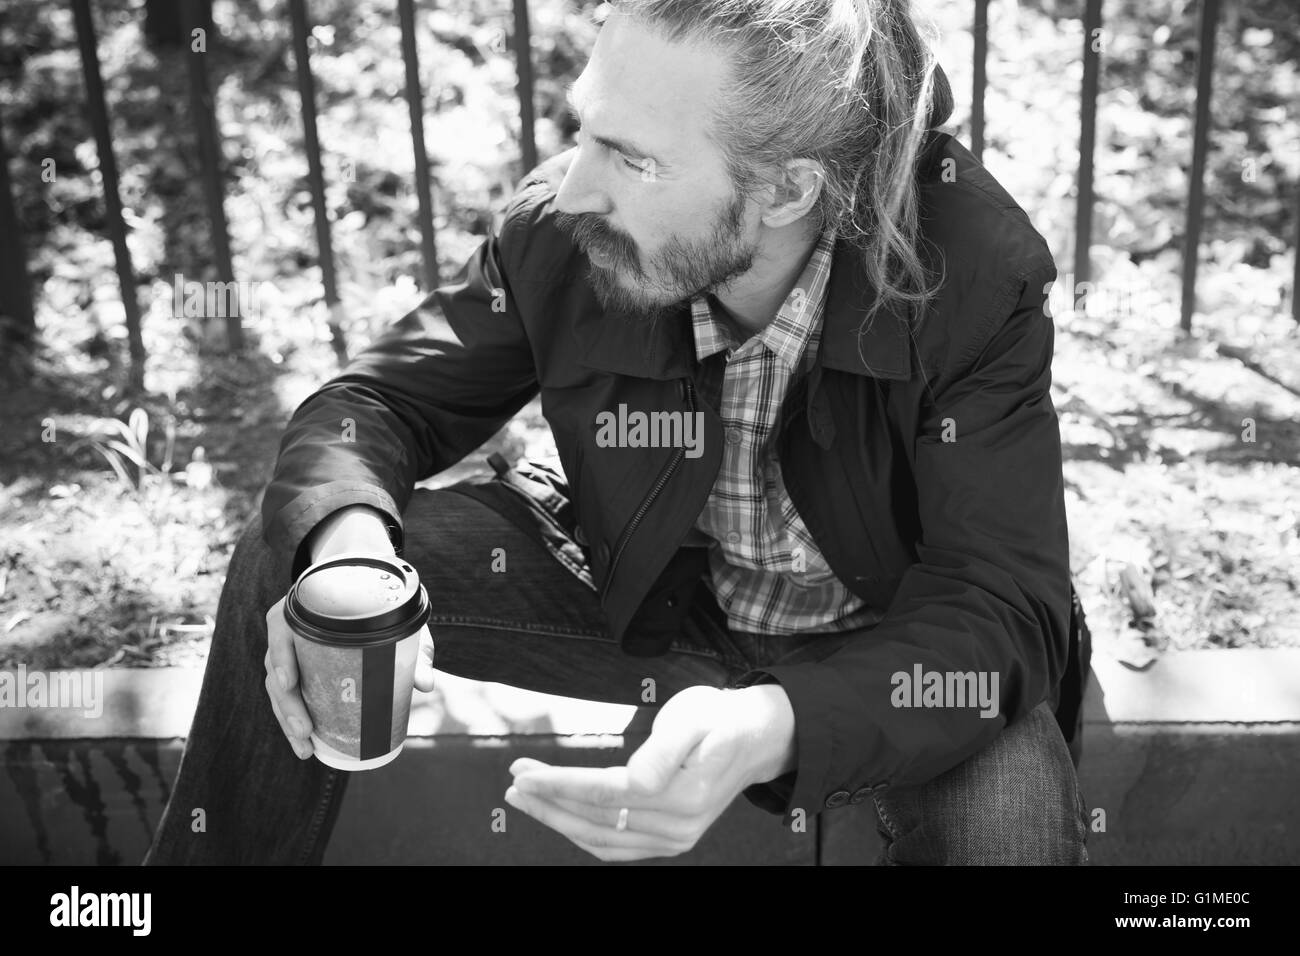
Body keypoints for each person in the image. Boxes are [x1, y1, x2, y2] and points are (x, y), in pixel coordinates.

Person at [145, 0, 1091, 866]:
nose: (573, 191)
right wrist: (348, 565)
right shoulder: (565, 230)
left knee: (1007, 822)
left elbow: (1003, 605)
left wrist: (776, 723)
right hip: (651, 591)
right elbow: (375, 406)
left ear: (788, 190)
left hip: (890, 643)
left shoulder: (974, 274)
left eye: (633, 158)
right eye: (584, 128)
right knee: (304, 563)